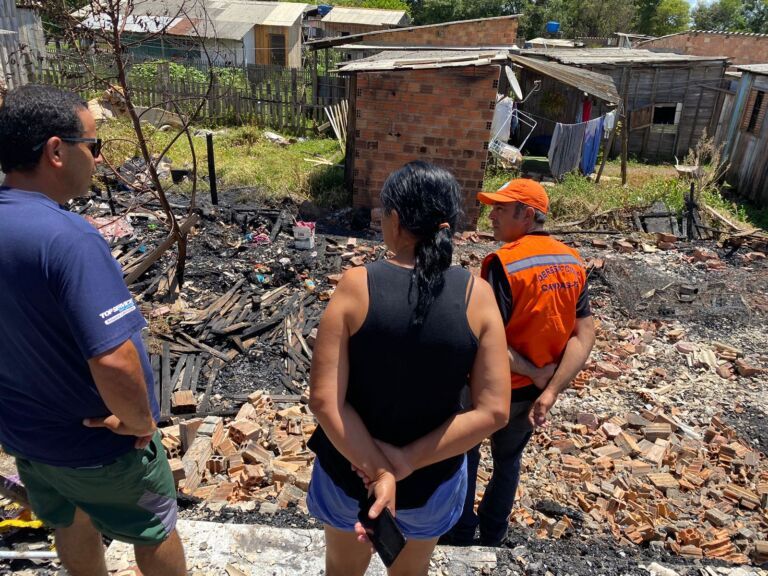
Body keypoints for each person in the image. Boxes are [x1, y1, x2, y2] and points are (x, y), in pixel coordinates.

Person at [0, 85, 186, 576]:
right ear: (56, 151)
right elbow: (113, 358)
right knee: (157, 527)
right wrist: (142, 423)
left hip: (27, 438)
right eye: (94, 146)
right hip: (98, 448)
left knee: (68, 517)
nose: (100, 161)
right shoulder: (70, 240)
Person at [306, 161, 511, 576]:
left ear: (395, 219)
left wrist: (379, 469)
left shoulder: (357, 285)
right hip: (431, 482)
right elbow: (494, 412)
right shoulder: (478, 296)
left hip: (349, 474)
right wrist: (403, 462)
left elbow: (325, 401)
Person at [443, 179, 596, 547]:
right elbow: (585, 334)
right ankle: (494, 535)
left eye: (500, 208)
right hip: (533, 394)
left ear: (526, 214)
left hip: (492, 389)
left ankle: (461, 534)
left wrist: (534, 372)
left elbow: (487, 340)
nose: (491, 215)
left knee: (466, 455)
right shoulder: (573, 261)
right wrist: (550, 388)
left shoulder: (504, 264)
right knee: (509, 460)